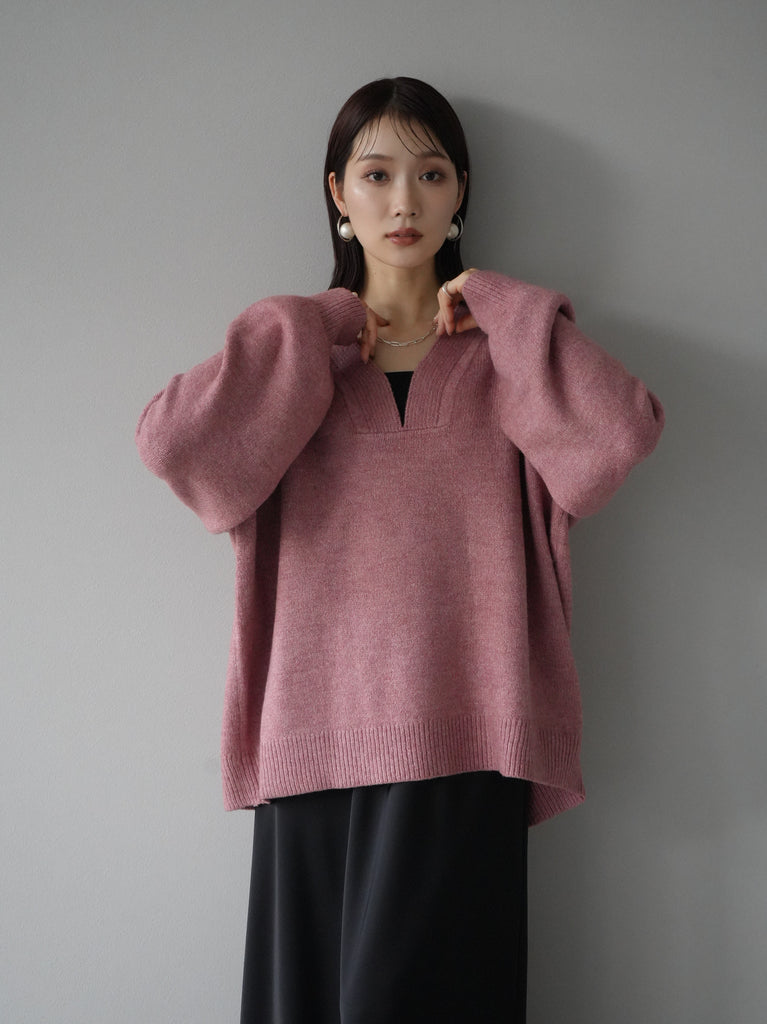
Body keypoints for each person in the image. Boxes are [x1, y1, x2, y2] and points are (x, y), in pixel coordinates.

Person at [135, 77, 664, 1024]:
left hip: (467, 743)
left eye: (429, 173)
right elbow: (175, 447)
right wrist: (321, 320)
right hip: (311, 745)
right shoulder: (298, 361)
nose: (403, 200)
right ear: (337, 192)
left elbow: (619, 434)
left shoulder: (506, 360)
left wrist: (499, 303)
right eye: (375, 174)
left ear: (460, 191)